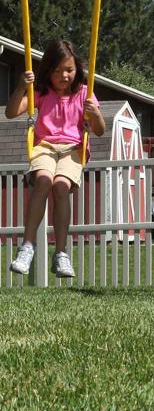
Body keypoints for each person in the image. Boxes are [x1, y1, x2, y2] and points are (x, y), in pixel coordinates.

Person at [5, 39, 105, 279]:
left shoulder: (84, 93)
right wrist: (21, 86)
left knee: (61, 186)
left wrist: (95, 113)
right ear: (48, 71)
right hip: (45, 146)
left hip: (73, 148)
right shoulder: (41, 92)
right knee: (43, 181)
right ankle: (27, 247)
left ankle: (61, 253)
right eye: (58, 70)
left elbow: (99, 130)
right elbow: (10, 113)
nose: (64, 76)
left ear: (77, 69)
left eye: (69, 70)